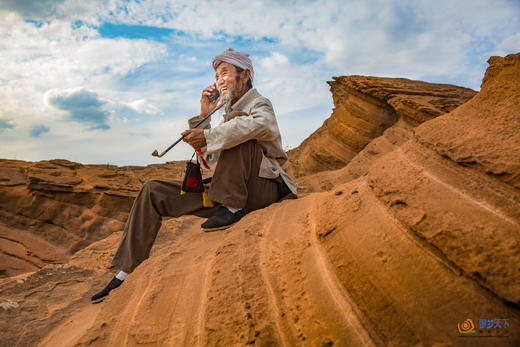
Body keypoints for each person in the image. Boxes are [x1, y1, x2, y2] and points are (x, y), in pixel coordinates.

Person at [91, 48, 297, 304]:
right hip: (225, 191)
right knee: (152, 190)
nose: (220, 80)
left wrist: (211, 135)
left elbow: (260, 126)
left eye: (225, 72)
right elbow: (210, 162)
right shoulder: (223, 115)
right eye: (216, 75)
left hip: (261, 189)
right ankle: (126, 271)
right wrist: (203, 117)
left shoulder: (259, 103)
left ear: (245, 75)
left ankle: (232, 208)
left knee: (237, 130)